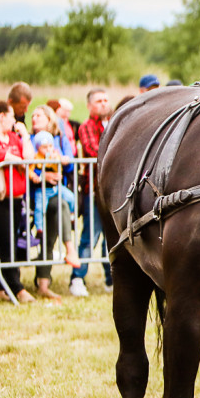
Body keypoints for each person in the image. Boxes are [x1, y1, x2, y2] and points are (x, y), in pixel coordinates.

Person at [0, 101, 36, 302]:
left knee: (9, 241)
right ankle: (16, 287)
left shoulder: (13, 136)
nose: (15, 121)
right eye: (12, 116)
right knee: (5, 242)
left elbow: (29, 157)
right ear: (1, 116)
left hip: (15, 197)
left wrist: (25, 136)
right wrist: (18, 160)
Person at [70, 88, 112, 296]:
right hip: (94, 190)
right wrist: (117, 151)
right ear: (89, 106)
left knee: (111, 237)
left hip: (114, 191)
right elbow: (93, 150)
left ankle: (111, 279)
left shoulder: (116, 121)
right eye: (98, 101)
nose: (103, 103)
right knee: (89, 236)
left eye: (106, 99)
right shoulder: (86, 126)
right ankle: (77, 278)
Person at [27, 130, 80, 266]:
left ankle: (73, 216)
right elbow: (30, 170)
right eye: (45, 147)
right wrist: (38, 177)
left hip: (57, 188)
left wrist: (61, 159)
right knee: (40, 208)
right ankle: (39, 228)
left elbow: (66, 166)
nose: (48, 149)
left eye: (50, 146)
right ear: (38, 147)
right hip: (41, 190)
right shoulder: (36, 158)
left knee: (71, 197)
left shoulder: (54, 155)